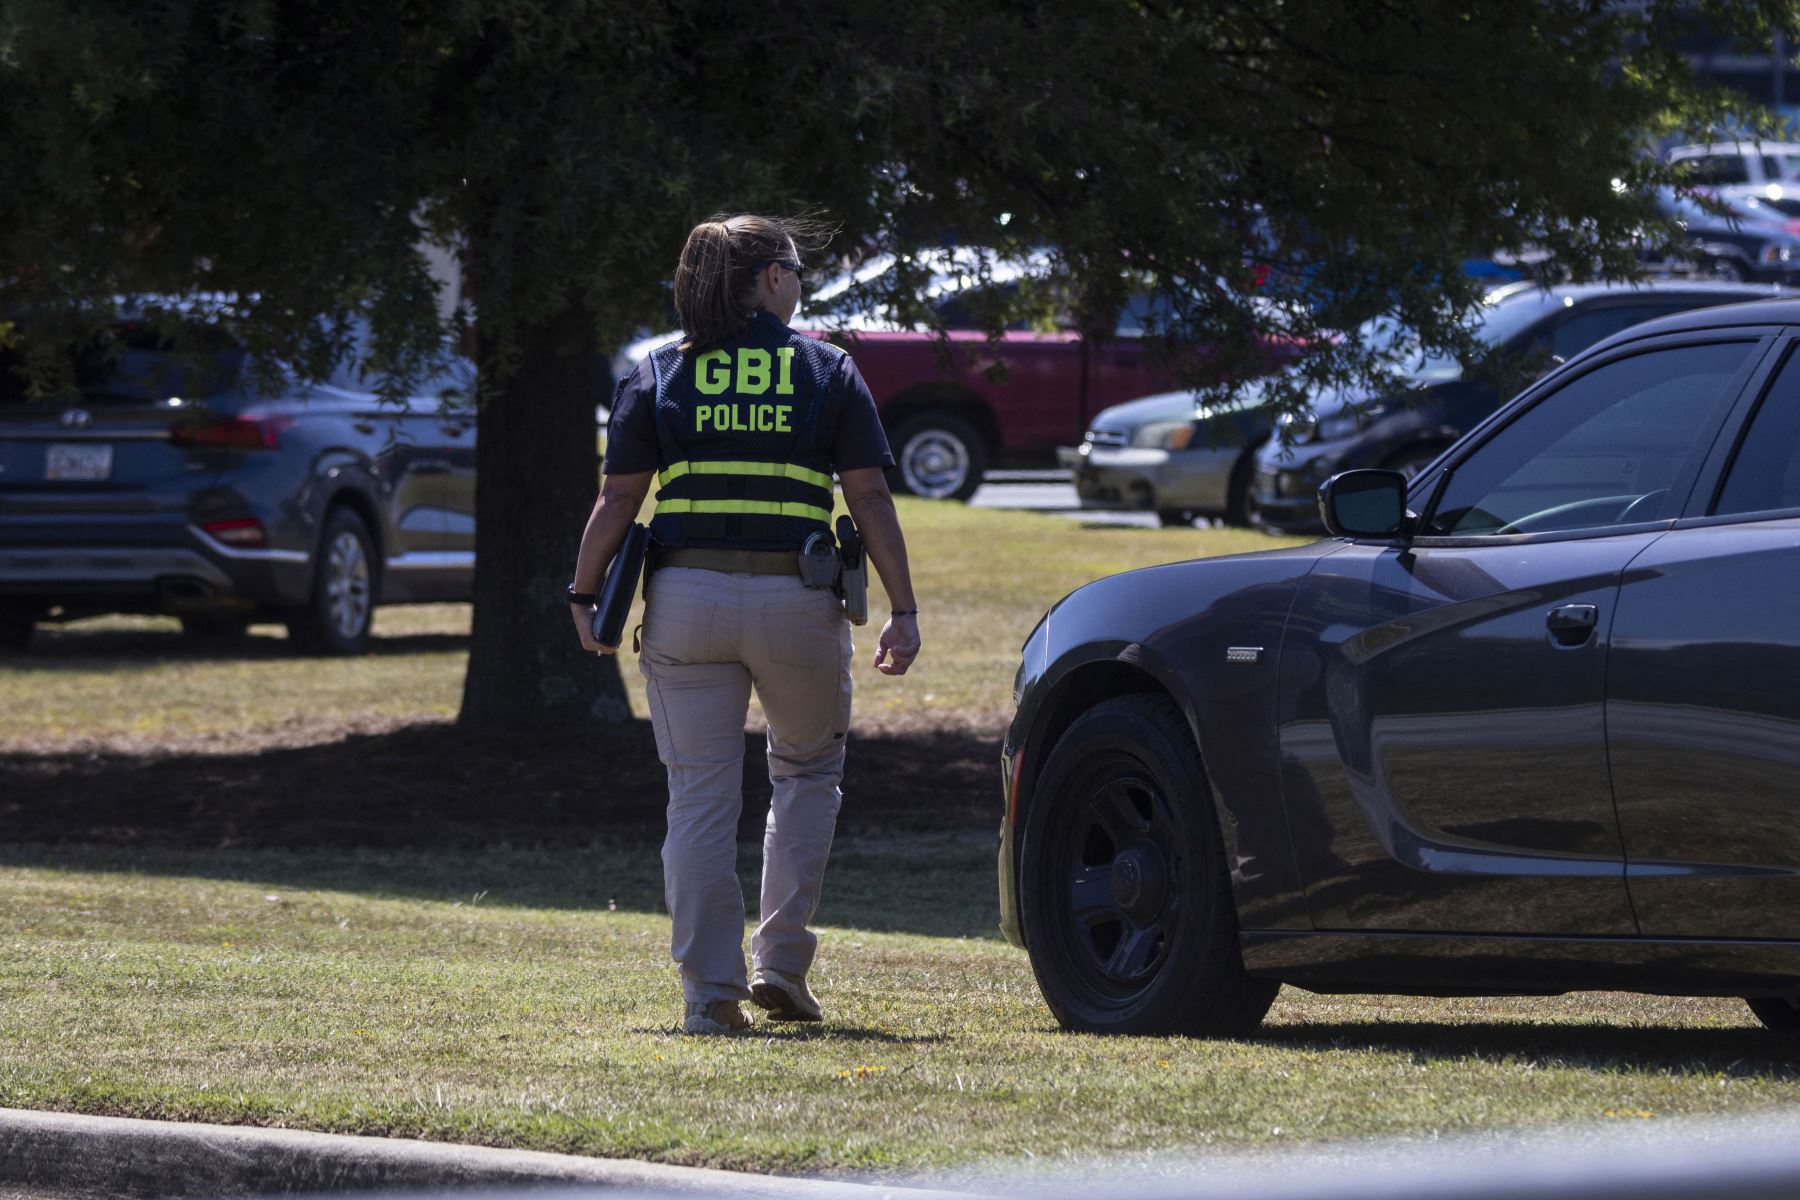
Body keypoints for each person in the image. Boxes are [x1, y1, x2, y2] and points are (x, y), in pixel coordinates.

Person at [568, 213, 922, 1035]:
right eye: (796, 269)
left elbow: (618, 500)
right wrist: (902, 611)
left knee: (697, 800)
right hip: (798, 602)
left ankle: (708, 996)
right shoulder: (826, 369)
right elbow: (868, 496)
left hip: (686, 602)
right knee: (805, 775)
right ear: (769, 278)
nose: (802, 284)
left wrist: (583, 598)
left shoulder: (659, 368)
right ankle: (782, 966)